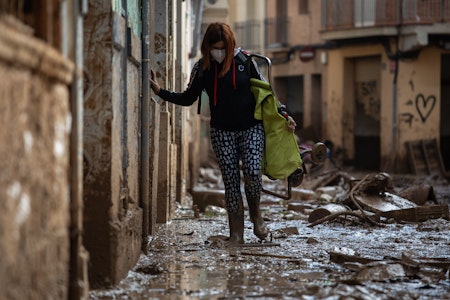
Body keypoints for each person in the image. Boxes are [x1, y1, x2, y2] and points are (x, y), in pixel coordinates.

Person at [149, 22, 296, 245]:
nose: (219, 52)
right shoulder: (202, 68)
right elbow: (188, 98)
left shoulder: (246, 62)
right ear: (207, 47)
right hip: (221, 132)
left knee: (253, 173)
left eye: (222, 48)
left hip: (251, 128)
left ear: (230, 45)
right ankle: (236, 233)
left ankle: (257, 218)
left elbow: (267, 94)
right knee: (230, 181)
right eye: (214, 48)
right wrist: (160, 92)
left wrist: (284, 114)